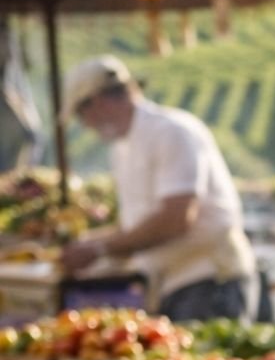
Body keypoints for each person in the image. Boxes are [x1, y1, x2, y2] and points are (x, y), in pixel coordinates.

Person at [59, 55, 256, 321]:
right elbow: (138, 224)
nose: (86, 125)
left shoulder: (170, 132)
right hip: (170, 284)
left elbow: (176, 219)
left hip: (209, 281)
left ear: (98, 101)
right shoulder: (124, 148)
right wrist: (92, 243)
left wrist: (99, 249)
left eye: (82, 114)